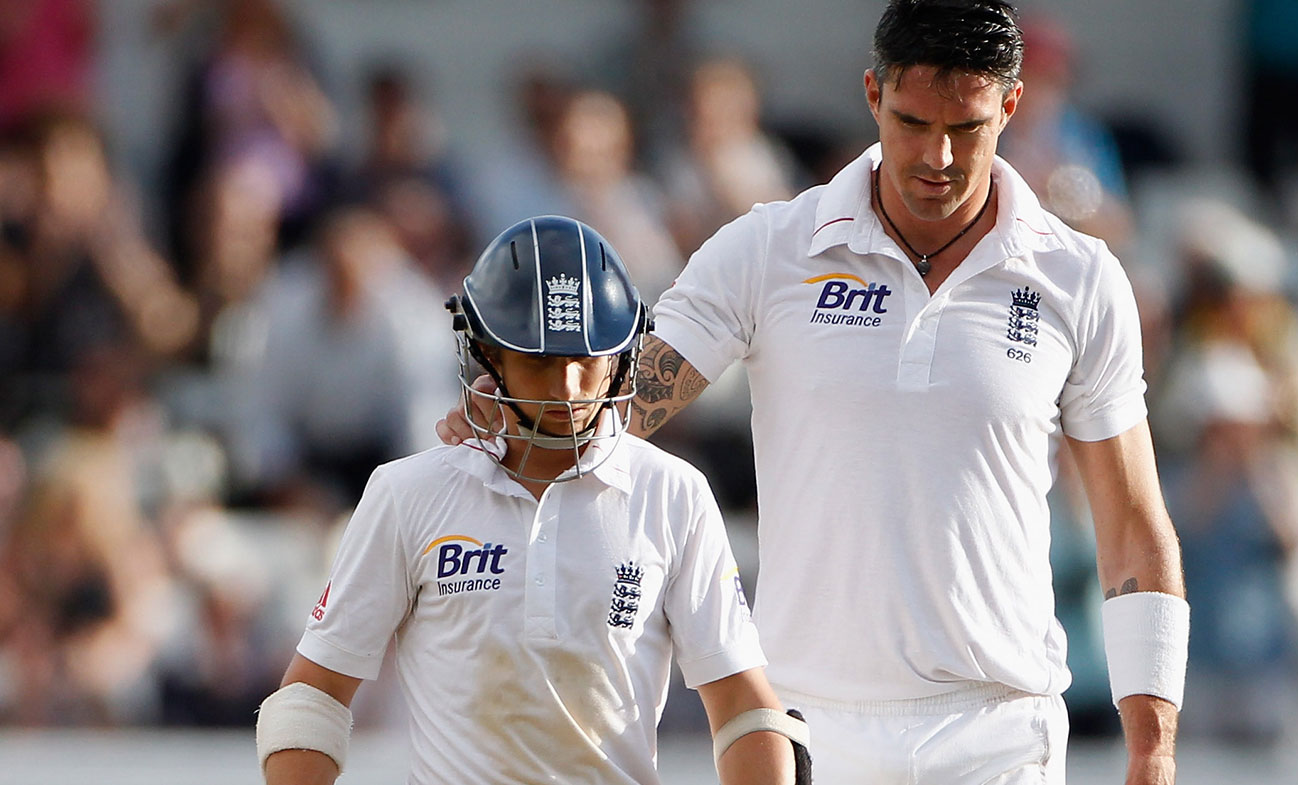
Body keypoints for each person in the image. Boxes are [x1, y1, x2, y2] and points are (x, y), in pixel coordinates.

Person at [440, 3, 1188, 783]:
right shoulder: (771, 248)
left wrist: (1153, 747)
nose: (937, 156)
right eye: (911, 121)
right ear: (872, 95)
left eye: (966, 129)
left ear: (1010, 106)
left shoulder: (1078, 276)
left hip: (999, 732)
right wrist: (510, 426)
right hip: (805, 729)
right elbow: (627, 403)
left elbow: (1133, 525)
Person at [256, 216, 810, 785]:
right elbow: (311, 703)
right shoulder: (408, 493)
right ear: (489, 355)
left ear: (621, 357)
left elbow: (746, 710)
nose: (568, 389)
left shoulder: (673, 493)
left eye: (586, 360)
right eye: (540, 362)